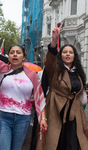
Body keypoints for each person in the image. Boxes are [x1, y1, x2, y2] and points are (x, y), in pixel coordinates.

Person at [0, 19, 47, 150]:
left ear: (23, 57)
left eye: (18, 52)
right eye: (12, 52)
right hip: (2, 116)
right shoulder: (2, 69)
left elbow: (40, 98)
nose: (15, 54)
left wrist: (43, 118)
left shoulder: (32, 75)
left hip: (23, 119)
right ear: (9, 57)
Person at [36, 22, 88, 150]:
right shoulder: (55, 69)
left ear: (74, 56)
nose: (68, 54)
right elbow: (50, 59)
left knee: (74, 143)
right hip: (55, 111)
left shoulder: (79, 73)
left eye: (71, 52)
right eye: (65, 52)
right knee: (55, 143)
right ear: (61, 55)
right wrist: (54, 40)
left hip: (75, 114)